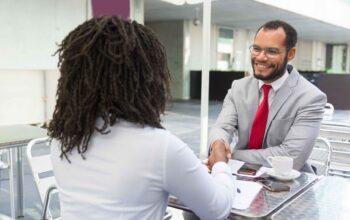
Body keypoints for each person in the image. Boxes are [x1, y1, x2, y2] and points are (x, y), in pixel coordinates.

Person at [48, 16, 235, 220]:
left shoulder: (64, 138)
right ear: (147, 77)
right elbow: (217, 210)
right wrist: (220, 165)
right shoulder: (160, 148)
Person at [208, 20, 326, 173]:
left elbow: (291, 156)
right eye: (256, 49)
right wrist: (218, 144)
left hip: (288, 182)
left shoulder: (311, 97)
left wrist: (232, 155)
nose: (261, 57)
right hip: (241, 175)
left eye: (271, 51)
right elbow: (222, 127)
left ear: (290, 54)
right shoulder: (239, 87)